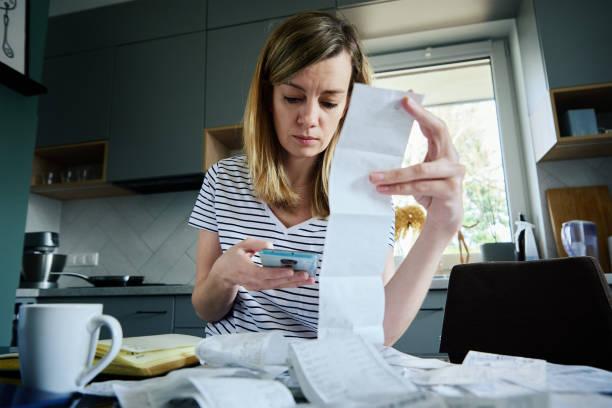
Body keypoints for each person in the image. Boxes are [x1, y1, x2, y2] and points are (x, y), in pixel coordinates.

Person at [188, 11, 464, 345]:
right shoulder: (223, 179)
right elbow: (206, 309)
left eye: (330, 101)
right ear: (268, 98)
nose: (309, 119)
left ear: (349, 104)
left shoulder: (367, 194)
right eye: (292, 98)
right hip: (231, 376)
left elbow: (378, 332)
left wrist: (439, 228)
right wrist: (223, 276)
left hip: (321, 380)